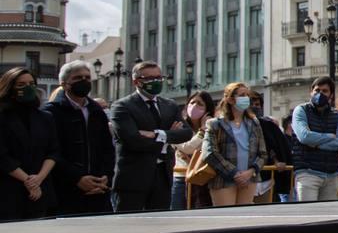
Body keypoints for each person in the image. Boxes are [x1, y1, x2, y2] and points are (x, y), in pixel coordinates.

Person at [109, 60, 193, 212]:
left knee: (160, 223)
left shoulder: (169, 105)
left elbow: (186, 133)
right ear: (136, 82)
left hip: (163, 174)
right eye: (149, 79)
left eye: (159, 77)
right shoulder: (122, 106)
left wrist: (157, 134)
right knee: (128, 223)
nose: (156, 82)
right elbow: (132, 140)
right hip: (133, 177)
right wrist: (169, 137)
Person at [44, 61, 114, 216]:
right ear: (65, 84)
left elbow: (107, 148)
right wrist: (77, 178)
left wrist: (104, 177)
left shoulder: (96, 111)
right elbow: (51, 151)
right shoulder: (51, 112)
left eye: (87, 77)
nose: (84, 81)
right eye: (78, 78)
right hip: (65, 190)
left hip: (98, 189)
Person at [0, 67, 60, 221]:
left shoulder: (45, 117)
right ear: (10, 87)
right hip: (9, 191)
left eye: (31, 84)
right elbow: (2, 156)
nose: (27, 88)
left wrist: (39, 179)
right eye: (21, 85)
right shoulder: (3, 118)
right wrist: (28, 181)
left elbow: (53, 151)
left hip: (42, 189)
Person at [199, 82, 267, 207]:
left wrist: (250, 172)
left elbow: (263, 153)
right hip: (223, 180)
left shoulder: (254, 123)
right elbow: (209, 152)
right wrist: (234, 174)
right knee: (226, 217)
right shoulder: (215, 124)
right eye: (242, 95)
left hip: (249, 179)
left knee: (245, 219)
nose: (246, 98)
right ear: (230, 99)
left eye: (247, 95)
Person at [291, 76, 338, 202]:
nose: (320, 94)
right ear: (311, 92)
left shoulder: (337, 114)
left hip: (331, 175)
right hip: (307, 173)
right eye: (317, 90)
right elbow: (304, 136)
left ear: (331, 95)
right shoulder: (301, 111)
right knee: (308, 215)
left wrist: (316, 144)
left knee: (329, 218)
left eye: (324, 91)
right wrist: (328, 136)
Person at [171, 90, 214, 211]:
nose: (194, 106)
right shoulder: (178, 126)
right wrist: (202, 131)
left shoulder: (213, 126)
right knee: (177, 213)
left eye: (200, 104)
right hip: (181, 177)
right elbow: (187, 148)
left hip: (204, 177)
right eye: (192, 102)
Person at [252, 92, 292, 204]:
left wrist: (277, 161)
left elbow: (274, 147)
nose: (254, 107)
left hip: (265, 180)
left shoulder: (267, 126)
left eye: (257, 104)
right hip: (242, 179)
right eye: (251, 103)